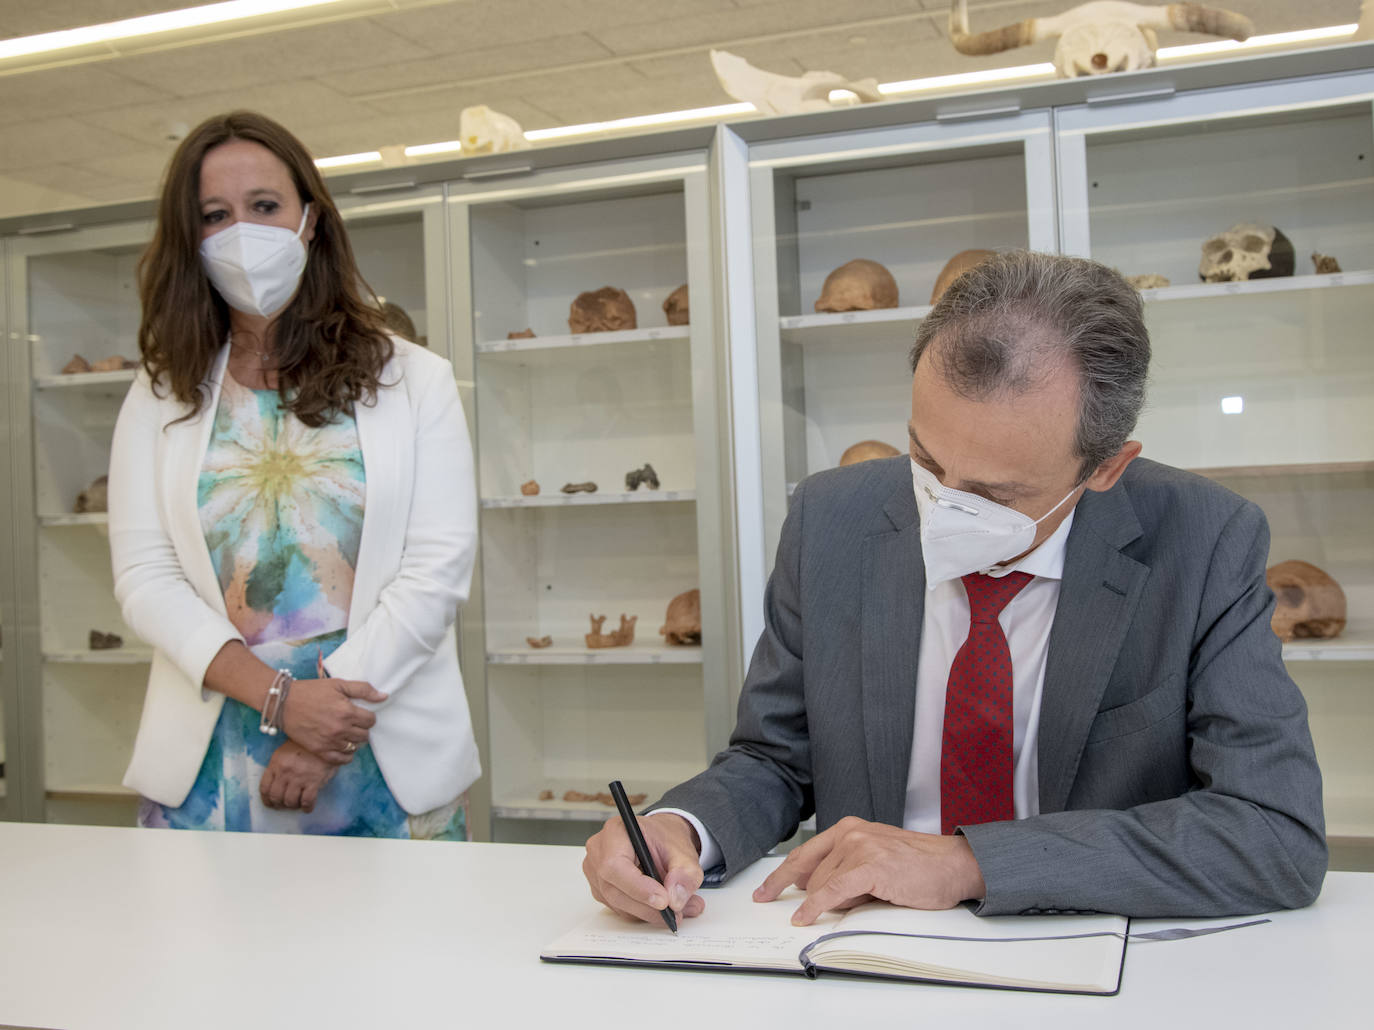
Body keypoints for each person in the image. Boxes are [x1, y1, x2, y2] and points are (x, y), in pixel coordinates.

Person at [583, 250, 1327, 923]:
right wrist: (682, 828)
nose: (943, 509)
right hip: (859, 942)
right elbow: (774, 759)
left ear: (1104, 468)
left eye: (997, 494)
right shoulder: (831, 518)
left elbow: (1273, 833)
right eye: (926, 462)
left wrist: (971, 862)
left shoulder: (1204, 540)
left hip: (1090, 951)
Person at [109, 111, 480, 838]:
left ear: (311, 220)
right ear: (191, 239)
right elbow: (145, 579)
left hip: (379, 748)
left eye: (265, 206)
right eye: (215, 215)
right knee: (198, 954)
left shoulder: (414, 380)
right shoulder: (159, 396)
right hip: (210, 763)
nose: (242, 231)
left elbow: (435, 570)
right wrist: (281, 701)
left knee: (399, 954)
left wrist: (323, 726)